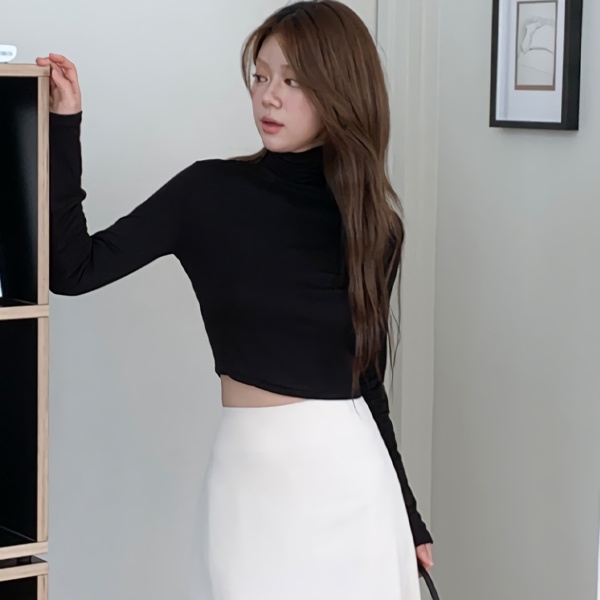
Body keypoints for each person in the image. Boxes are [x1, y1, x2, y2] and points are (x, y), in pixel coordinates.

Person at [37, 1, 433, 598]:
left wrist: (409, 514)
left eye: (293, 81)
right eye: (260, 76)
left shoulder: (375, 225)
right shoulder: (209, 193)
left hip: (355, 488)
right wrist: (64, 126)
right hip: (250, 484)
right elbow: (73, 269)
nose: (268, 96)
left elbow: (367, 377)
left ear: (341, 91)